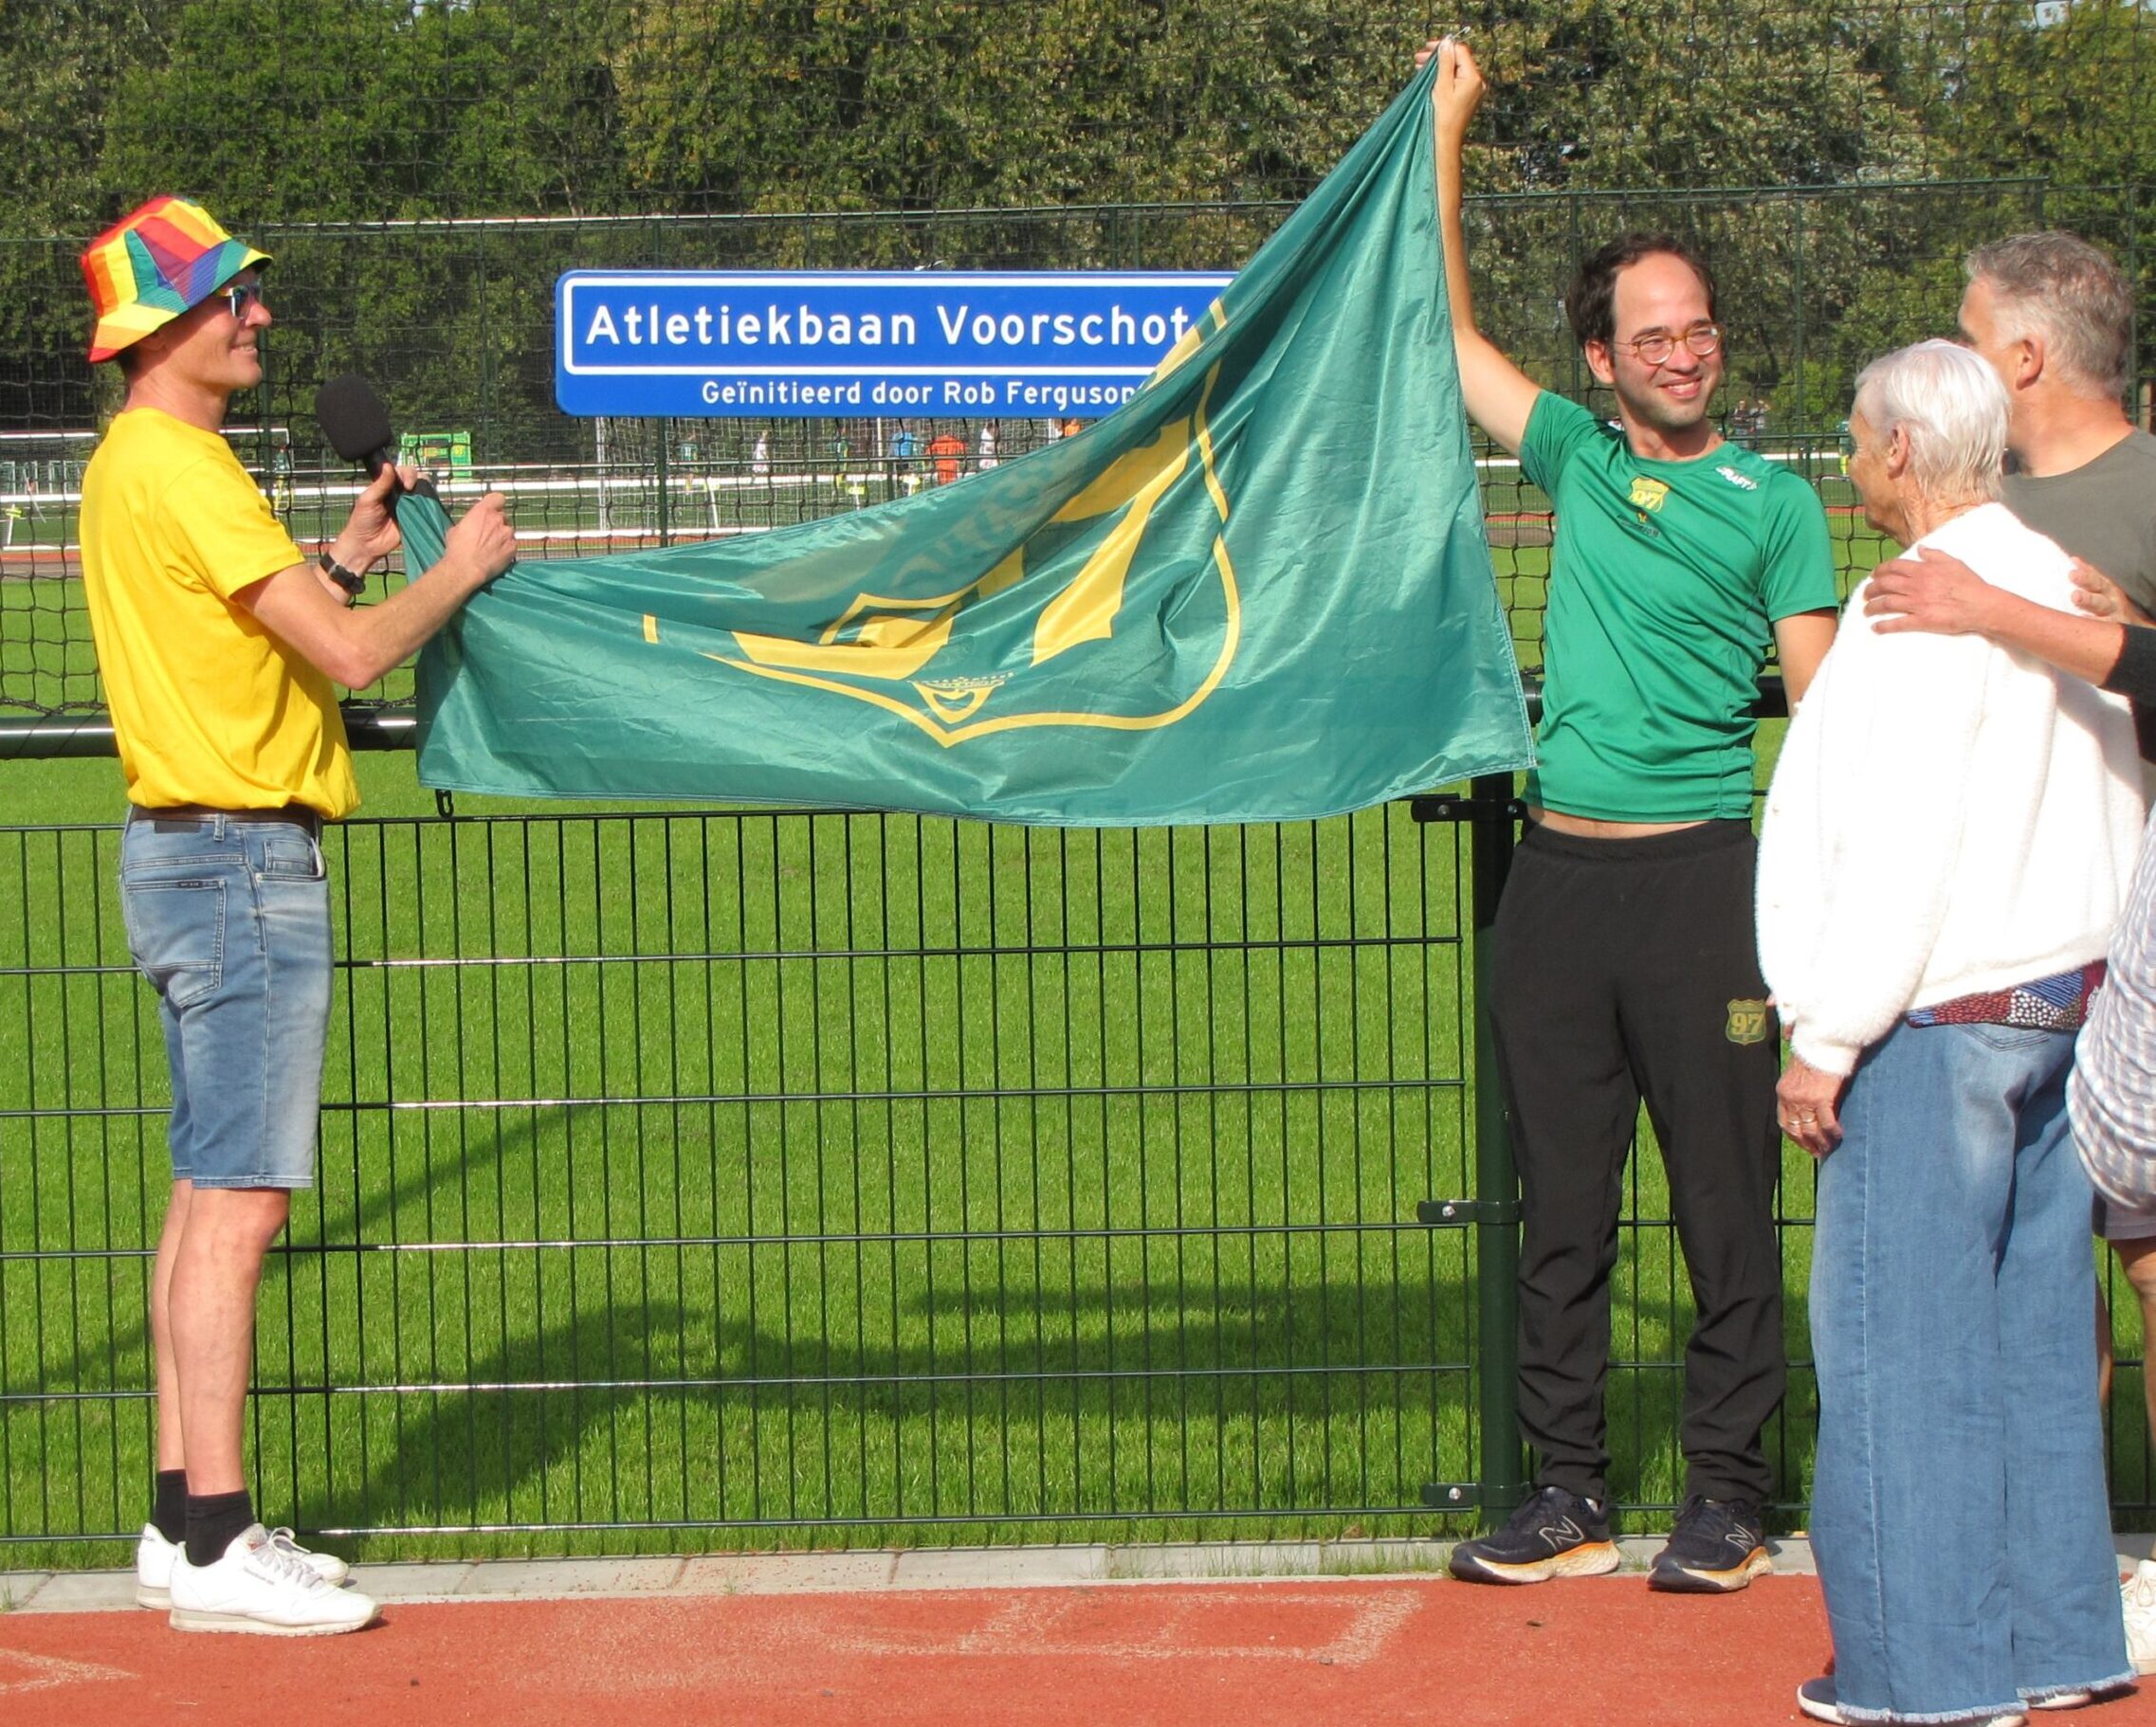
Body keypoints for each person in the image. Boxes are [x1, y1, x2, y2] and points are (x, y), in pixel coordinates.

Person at [1422, 37, 1838, 1591]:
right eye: (1651, 335)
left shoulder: (1777, 503)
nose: (1683, 353)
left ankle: (1728, 1494)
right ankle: (1569, 1495)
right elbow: (1445, 327)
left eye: (1700, 330)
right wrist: (1447, 129)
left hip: (1703, 890)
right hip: (1555, 891)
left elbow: (1827, 717)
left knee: (1724, 1205)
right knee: (1565, 1214)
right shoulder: (1577, 457)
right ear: (1598, 359)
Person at [77, 195, 517, 1635]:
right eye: (230, 298)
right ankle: (218, 1536)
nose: (257, 315)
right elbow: (340, 654)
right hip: (241, 866)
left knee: (206, 1187)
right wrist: (453, 574)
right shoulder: (187, 466)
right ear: (164, 330)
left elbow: (258, 649)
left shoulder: (133, 464)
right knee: (244, 1201)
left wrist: (337, 552)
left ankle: (174, 1518)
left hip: (185, 853)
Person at [1762, 338, 2143, 1724]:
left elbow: (1899, 834)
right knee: (2037, 1342)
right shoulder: (2057, 580)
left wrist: (1826, 1032)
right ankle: (2057, 1640)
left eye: (1858, 439)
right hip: (2067, 1004)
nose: (1850, 458)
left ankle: (1921, 1674)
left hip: (1938, 1014)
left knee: (1895, 1353)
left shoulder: (1920, 598)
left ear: (1901, 454)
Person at [1861, 229, 2156, 1663]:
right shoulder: (2001, 509)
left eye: (1965, 328)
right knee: (2047, 1276)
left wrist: (2013, 612)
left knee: (2147, 1260)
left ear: (2022, 355)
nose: (1954, 345)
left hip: (2128, 925)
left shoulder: (2135, 492)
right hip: (2054, 947)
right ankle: (2070, 1563)